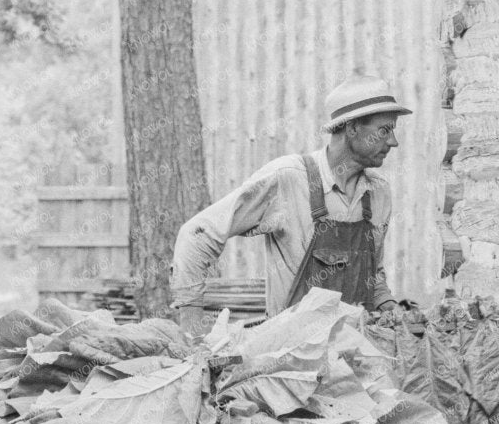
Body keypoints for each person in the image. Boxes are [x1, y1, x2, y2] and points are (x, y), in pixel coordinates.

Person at [172, 73, 411, 337]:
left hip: (355, 355)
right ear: (352, 128)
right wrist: (192, 332)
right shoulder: (289, 179)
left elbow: (373, 277)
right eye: (384, 130)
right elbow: (195, 236)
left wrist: (393, 311)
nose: (393, 142)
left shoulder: (378, 193)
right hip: (292, 361)